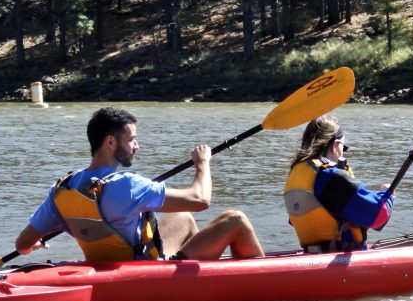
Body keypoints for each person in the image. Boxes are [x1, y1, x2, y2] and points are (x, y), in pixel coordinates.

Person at [15, 107, 264, 261]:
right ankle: (255, 282)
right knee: (235, 220)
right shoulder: (128, 185)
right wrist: (202, 163)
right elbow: (201, 200)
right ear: (110, 143)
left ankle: (200, 277)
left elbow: (22, 245)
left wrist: (37, 243)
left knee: (183, 217)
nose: (137, 146)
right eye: (132, 139)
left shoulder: (65, 187)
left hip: (107, 264)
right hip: (143, 269)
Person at [284, 115, 395, 252]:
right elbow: (379, 216)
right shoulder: (330, 176)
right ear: (335, 146)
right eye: (344, 147)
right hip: (337, 258)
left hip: (311, 254)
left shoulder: (296, 173)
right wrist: (388, 195)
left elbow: (296, 220)